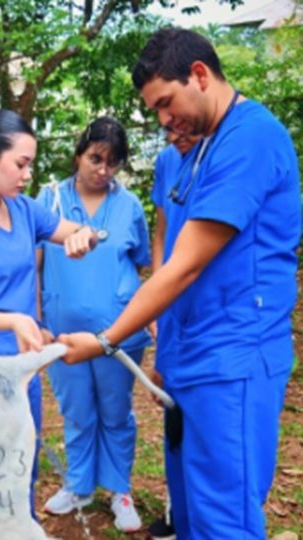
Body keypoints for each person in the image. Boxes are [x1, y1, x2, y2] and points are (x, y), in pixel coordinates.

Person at [58, 27, 301, 539]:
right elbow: (166, 257)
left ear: (199, 74)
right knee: (189, 512)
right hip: (190, 354)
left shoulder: (250, 139)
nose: (164, 121)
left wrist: (107, 339)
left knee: (224, 519)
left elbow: (186, 265)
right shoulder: (185, 153)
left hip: (233, 357)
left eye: (166, 103)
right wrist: (166, 355)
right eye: (156, 111)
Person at [0, 109, 97, 517]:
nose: (27, 175)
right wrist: (13, 319)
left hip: (23, 368)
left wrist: (84, 238)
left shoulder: (23, 210)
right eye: (21, 164)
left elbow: (75, 231)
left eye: (31, 165)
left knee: (22, 466)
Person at [35, 117, 151, 532]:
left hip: (118, 332)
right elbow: (35, 263)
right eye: (96, 159)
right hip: (63, 330)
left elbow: (142, 265)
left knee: (116, 412)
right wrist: (37, 320)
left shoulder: (130, 206)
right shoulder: (50, 201)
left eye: (113, 163)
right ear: (78, 153)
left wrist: (150, 320)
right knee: (77, 410)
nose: (103, 170)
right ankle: (79, 484)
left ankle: (119, 489)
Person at [146, 128, 200, 540]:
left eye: (179, 120)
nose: (172, 131)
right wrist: (158, 290)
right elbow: (162, 230)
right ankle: (176, 508)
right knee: (170, 404)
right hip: (171, 313)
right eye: (164, 124)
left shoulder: (228, 151)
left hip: (208, 314)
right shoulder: (167, 161)